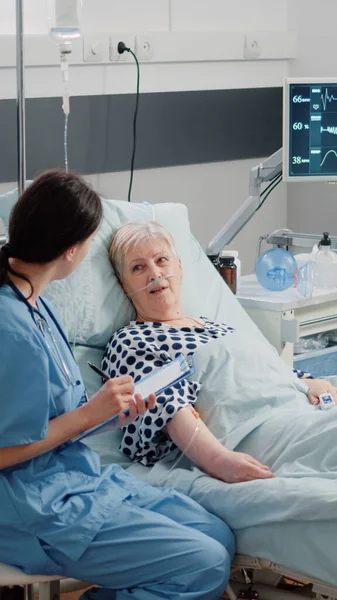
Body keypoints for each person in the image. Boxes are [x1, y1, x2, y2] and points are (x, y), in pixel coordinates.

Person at [0, 171, 235, 600]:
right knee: (206, 565)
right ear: (71, 250)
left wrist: (107, 415)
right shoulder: (10, 328)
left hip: (77, 475)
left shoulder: (36, 303)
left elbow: (55, 417)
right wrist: (90, 414)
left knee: (215, 532)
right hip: (35, 504)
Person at [102, 221, 337, 484]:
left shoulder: (218, 326)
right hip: (254, 430)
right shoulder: (132, 340)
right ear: (124, 285)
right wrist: (219, 461)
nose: (155, 274)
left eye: (161, 260)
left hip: (299, 409)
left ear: (179, 266)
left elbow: (264, 371)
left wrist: (309, 382)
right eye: (138, 267)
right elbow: (164, 404)